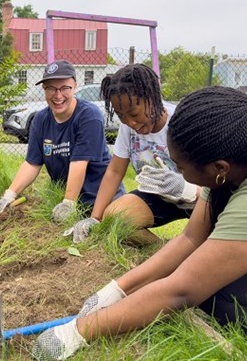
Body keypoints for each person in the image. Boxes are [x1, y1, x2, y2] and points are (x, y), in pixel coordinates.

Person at [31, 87, 247, 361]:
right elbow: (190, 239)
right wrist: (117, 289)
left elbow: (180, 291)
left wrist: (80, 330)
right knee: (194, 267)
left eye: (181, 167)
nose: (176, 170)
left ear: (219, 168)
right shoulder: (233, 165)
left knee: (211, 288)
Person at [63, 64, 198, 245]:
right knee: (114, 219)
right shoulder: (128, 128)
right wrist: (95, 218)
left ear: (153, 97)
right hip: (159, 198)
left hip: (198, 198)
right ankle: (161, 251)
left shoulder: (182, 121)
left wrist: (189, 188)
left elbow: (217, 179)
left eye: (134, 113)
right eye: (121, 115)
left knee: (212, 246)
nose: (130, 122)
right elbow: (115, 172)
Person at [0, 60, 125, 223]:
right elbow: (32, 163)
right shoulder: (40, 119)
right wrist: (10, 194)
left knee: (124, 232)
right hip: (67, 203)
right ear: (44, 89)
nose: (58, 95)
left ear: (75, 86)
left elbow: (79, 162)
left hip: (102, 201)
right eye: (51, 88)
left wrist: (68, 203)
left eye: (64, 88)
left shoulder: (89, 116)